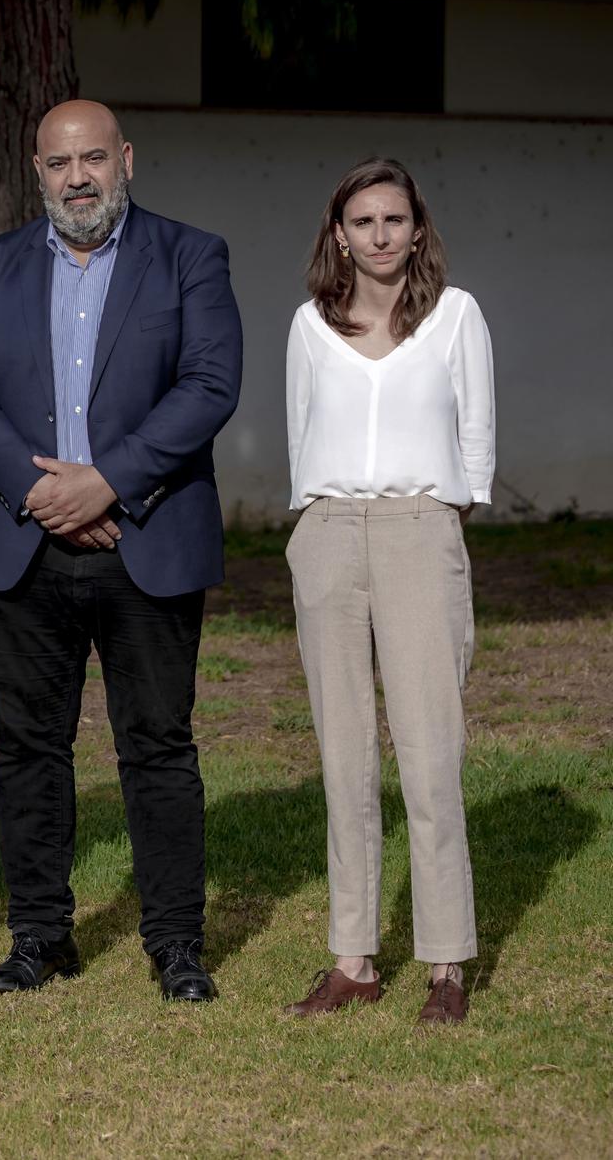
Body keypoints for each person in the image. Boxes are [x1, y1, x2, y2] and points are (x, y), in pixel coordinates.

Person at [0, 99, 242, 1002]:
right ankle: (38, 935)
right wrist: (43, 493)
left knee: (157, 746)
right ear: (37, 172)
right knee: (29, 748)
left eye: (95, 159)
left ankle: (176, 942)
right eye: (61, 162)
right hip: (28, 542)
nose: (79, 177)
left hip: (147, 538)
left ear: (127, 161)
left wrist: (107, 482)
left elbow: (210, 383)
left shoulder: (191, 255)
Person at [280, 158, 492, 1027]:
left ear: (416, 227)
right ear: (339, 232)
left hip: (418, 530)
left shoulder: (454, 316)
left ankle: (445, 963)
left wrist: (441, 519)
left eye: (393, 219)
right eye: (362, 220)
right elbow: (300, 434)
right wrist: (317, 530)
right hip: (329, 534)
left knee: (430, 753)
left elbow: (475, 436)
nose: (378, 235)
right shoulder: (308, 325)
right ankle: (353, 958)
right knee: (344, 755)